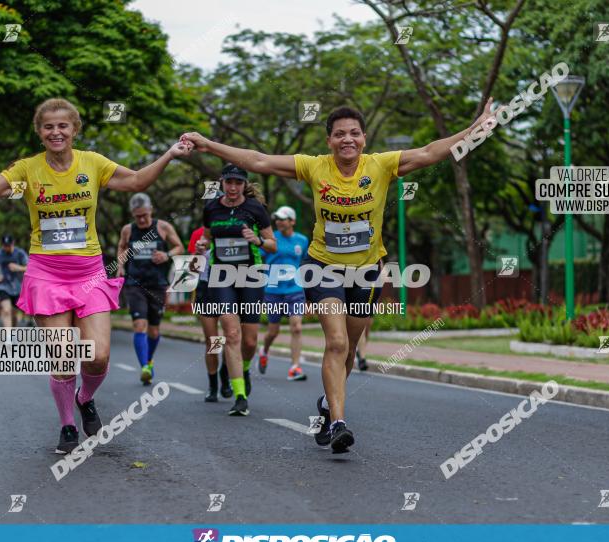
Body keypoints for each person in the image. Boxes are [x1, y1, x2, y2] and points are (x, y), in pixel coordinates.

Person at [181, 99, 496, 452]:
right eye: (339, 134)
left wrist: (473, 129)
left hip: (366, 272)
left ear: (363, 138)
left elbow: (428, 152)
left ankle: (328, 406)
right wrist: (209, 144)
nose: (348, 139)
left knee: (347, 350)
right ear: (329, 140)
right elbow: (258, 160)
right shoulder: (316, 168)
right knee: (337, 342)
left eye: (355, 133)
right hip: (323, 267)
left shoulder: (380, 165)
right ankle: (339, 424)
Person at [0, 97, 192, 454]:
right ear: (39, 132)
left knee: (97, 356)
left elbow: (137, 180)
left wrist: (169, 154)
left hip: (90, 274)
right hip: (47, 274)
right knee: (63, 355)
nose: (56, 132)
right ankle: (67, 424)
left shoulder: (92, 163)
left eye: (63, 125)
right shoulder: (28, 169)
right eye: (48, 127)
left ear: (74, 129)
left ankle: (85, 397)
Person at [202, 164, 276, 416]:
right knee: (231, 334)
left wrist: (258, 240)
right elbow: (207, 237)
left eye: (238, 183)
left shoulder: (255, 209)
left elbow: (272, 244)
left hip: (251, 275)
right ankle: (240, 395)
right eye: (229, 182)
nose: (233, 187)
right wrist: (203, 244)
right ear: (221, 182)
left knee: (250, 339)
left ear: (245, 185)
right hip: (221, 275)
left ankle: (243, 367)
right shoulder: (211, 208)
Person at [117, 192, 184, 385]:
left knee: (154, 331)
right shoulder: (128, 230)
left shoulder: (163, 227)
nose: (142, 219)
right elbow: (122, 247)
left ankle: (149, 359)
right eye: (138, 216)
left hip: (157, 284)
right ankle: (145, 366)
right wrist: (120, 266)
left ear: (151, 210)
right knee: (139, 325)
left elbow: (179, 246)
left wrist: (167, 255)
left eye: (145, 215)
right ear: (132, 214)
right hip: (134, 284)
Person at [258, 205, 309, 381]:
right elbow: (257, 257)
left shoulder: (302, 240)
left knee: (297, 327)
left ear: (292, 221)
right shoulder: (271, 240)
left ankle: (295, 367)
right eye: (277, 219)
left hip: (295, 288)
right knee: (273, 331)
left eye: (283, 218)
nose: (279, 222)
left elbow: (304, 263)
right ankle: (264, 351)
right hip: (273, 290)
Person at [188, 226, 231, 402]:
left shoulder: (232, 230)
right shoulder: (198, 234)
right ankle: (213, 385)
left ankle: (226, 373)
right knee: (212, 340)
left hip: (230, 286)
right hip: (206, 289)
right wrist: (198, 253)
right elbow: (192, 269)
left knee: (231, 336)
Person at [0, 235, 29, 328]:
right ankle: (8, 338)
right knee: (6, 310)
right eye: (4, 245)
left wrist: (19, 268)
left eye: (9, 245)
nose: (7, 248)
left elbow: (30, 267)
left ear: (13, 244)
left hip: (18, 288)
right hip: (3, 286)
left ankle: (13, 334)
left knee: (14, 314)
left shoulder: (20, 253)